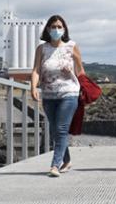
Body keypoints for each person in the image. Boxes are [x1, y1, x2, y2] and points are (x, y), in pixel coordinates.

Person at [30, 14, 86, 177]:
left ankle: (55, 165)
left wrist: (74, 74)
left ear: (64, 29)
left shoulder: (72, 46)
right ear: (48, 29)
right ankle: (66, 160)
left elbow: (80, 70)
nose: (56, 29)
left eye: (59, 27)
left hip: (69, 92)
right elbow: (36, 70)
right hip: (48, 94)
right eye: (53, 27)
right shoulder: (42, 48)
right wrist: (33, 86)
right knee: (55, 131)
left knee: (61, 129)